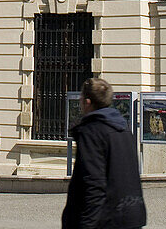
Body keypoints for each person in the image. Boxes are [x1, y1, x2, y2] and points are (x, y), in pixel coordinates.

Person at [61, 77, 146, 229]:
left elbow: (93, 183)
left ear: (87, 102)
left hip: (106, 220)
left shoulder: (92, 131)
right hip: (131, 216)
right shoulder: (123, 128)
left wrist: (86, 224)